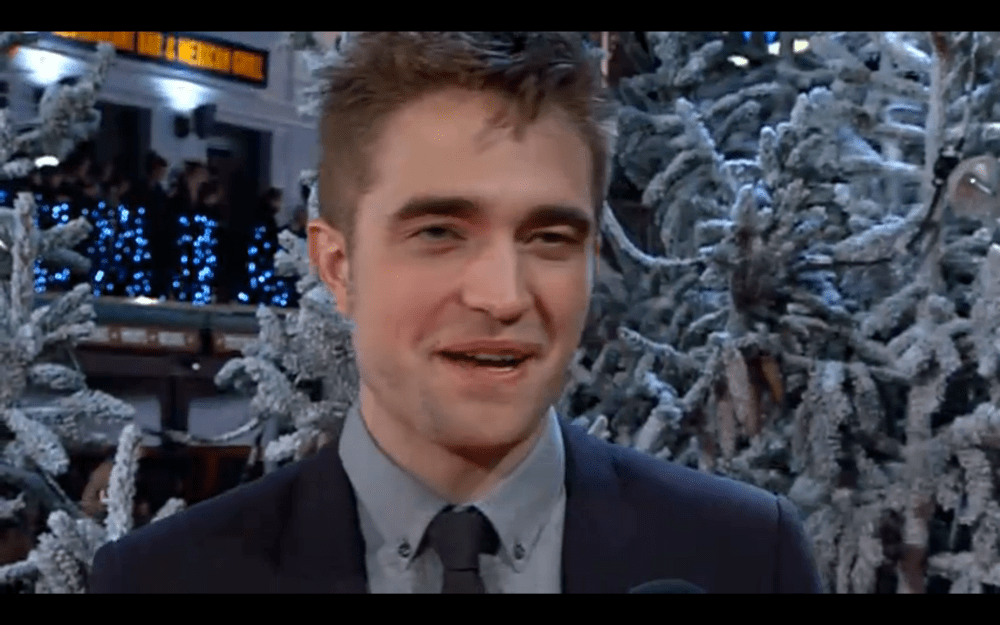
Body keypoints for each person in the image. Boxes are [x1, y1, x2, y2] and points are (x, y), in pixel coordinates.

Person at [88, 32, 822, 594]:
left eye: (549, 237)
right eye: (439, 232)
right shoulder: (162, 580)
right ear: (338, 266)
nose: (504, 296)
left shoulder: (744, 556)